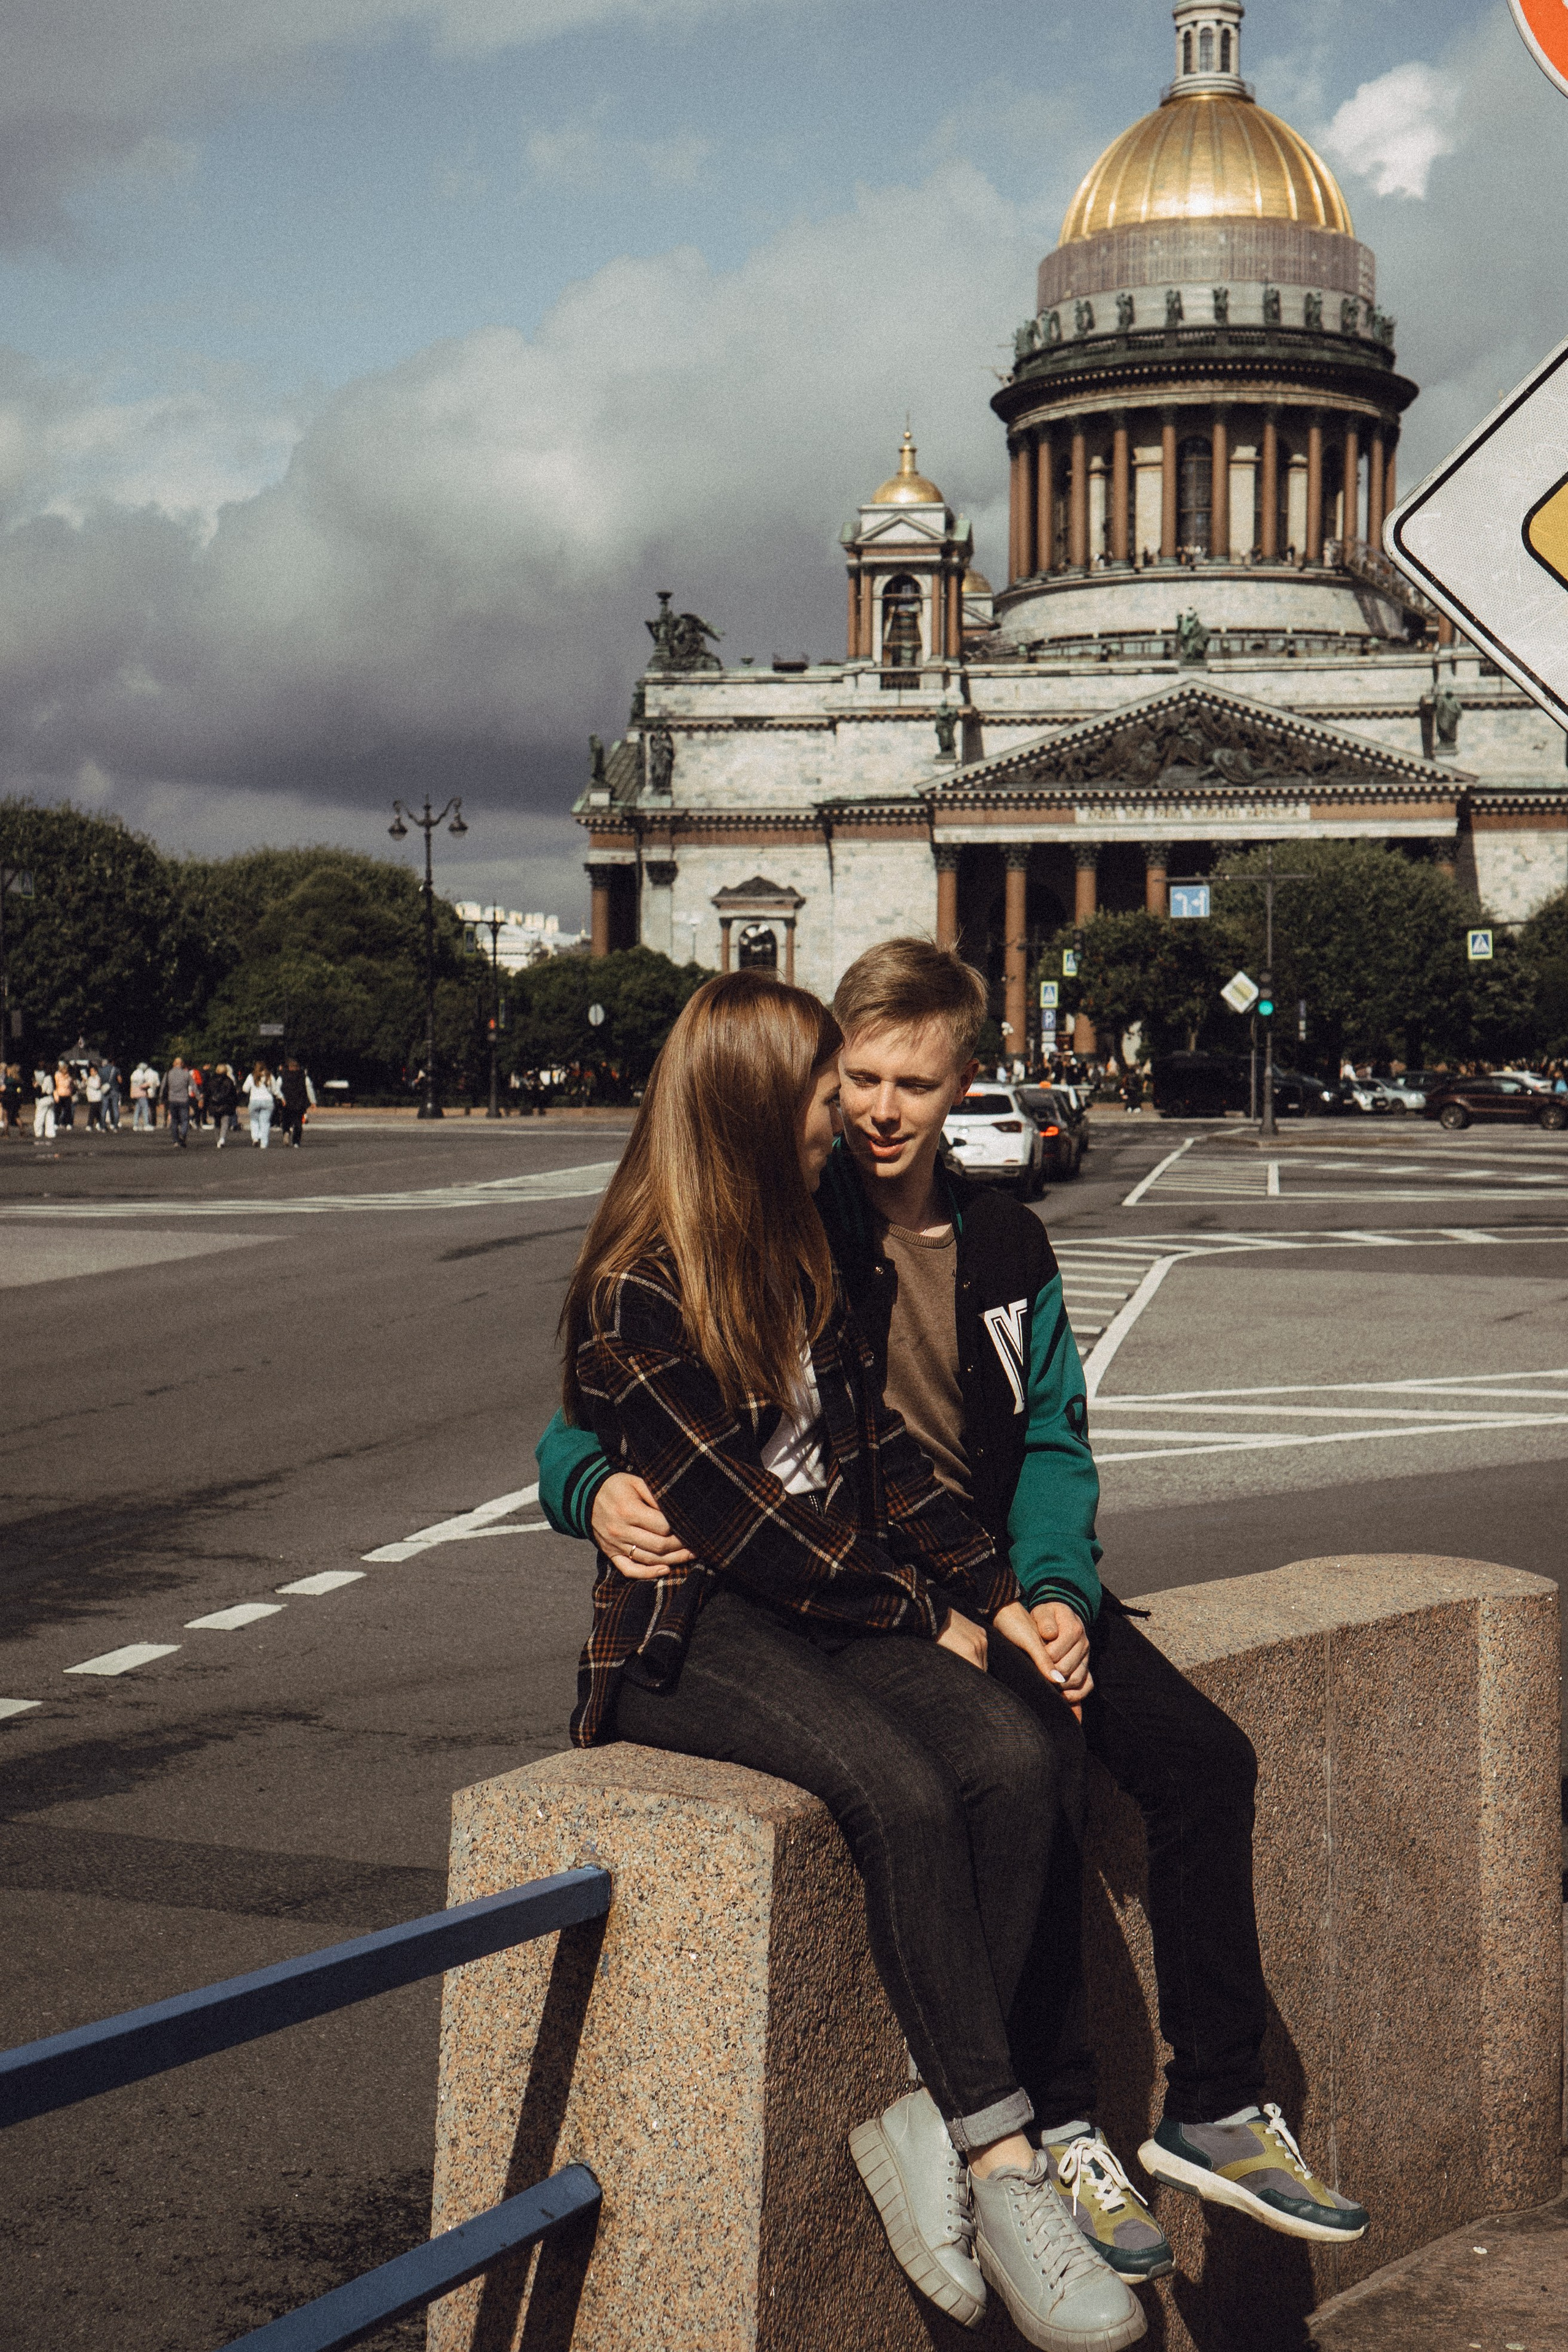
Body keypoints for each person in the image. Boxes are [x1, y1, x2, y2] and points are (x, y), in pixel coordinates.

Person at [540, 939, 1368, 2294]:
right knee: (1013, 1767)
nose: (871, 1113)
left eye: (907, 1086)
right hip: (841, 1594)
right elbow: (620, 1426)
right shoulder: (790, 1224)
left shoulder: (1001, 1240)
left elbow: (1039, 1441)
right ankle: (1049, 2127)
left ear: (960, 1086)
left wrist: (1039, 1593)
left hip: (969, 1569)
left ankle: (1216, 2105)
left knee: (1200, 1758)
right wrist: (584, 1486)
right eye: (848, 1083)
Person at [559, 969, 1145, 2352]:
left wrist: (1000, 1598)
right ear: (757, 1108)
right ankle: (1001, 2159)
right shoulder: (636, 1287)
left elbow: (878, 1462)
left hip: (824, 1609)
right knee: (900, 1789)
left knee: (1010, 1756)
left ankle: (931, 2112)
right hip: (691, 1631)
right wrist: (924, 1616)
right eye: (830, 1092)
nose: (851, 1118)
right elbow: (747, 1527)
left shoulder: (801, 1250)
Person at [277, 1057, 315, 1148]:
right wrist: (313, 1101)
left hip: (286, 1102)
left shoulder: (283, 1076)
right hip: (299, 1102)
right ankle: (296, 1142)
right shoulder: (304, 1077)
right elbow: (309, 1089)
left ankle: (286, 1132)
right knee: (298, 1123)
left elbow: (277, 1087)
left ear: (288, 1067)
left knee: (286, 1120)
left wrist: (279, 1098)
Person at [160, 1056, 192, 1147]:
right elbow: (193, 1086)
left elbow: (163, 1086)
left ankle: (176, 1141)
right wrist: (199, 1098)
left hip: (172, 1100)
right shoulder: (186, 1074)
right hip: (184, 1099)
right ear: (182, 1064)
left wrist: (161, 1098)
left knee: (174, 1120)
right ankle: (183, 1134)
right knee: (185, 1119)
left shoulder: (168, 1074)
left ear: (174, 1064)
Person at [244, 1061, 277, 1148]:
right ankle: (264, 1143)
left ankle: (255, 1138)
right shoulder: (270, 1076)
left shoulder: (251, 1076)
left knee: (254, 1121)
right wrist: (281, 1098)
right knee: (265, 1122)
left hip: (254, 1101)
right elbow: (275, 1090)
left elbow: (245, 1089)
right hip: (267, 1101)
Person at [206, 1063, 239, 1147]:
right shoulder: (229, 1081)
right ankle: (222, 1139)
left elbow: (208, 1093)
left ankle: (218, 1140)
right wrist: (234, 1105)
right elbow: (233, 1095)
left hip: (214, 1105)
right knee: (225, 1122)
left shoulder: (212, 1080)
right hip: (226, 1105)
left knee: (217, 1123)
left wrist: (207, 1104)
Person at [130, 1058, 157, 1129]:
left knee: (137, 1110)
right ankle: (146, 1124)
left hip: (135, 1094)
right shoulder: (141, 1074)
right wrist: (148, 1084)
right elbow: (141, 1085)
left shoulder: (134, 1073)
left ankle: (135, 1125)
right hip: (141, 1094)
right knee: (145, 1109)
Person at [32, 1064, 54, 1140]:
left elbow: (43, 1090)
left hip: (44, 1099)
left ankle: (38, 1133)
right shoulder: (50, 1078)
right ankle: (50, 1133)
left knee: (39, 1116)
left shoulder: (46, 1078)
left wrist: (37, 1086)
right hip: (50, 1098)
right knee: (50, 1116)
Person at [53, 1061, 75, 1132]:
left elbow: (71, 1086)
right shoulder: (57, 1076)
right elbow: (55, 1087)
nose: (66, 1070)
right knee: (57, 1111)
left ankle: (68, 1124)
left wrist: (71, 1094)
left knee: (68, 1110)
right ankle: (56, 1123)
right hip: (59, 1095)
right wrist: (56, 1096)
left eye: (66, 1069)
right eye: (64, 1069)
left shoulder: (69, 1077)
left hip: (67, 1095)